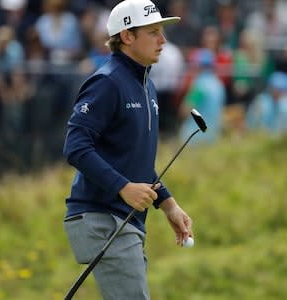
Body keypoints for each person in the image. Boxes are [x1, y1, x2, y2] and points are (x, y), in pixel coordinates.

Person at [62, 1, 193, 299]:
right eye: (153, 32)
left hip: (121, 220)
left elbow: (134, 160)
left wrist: (168, 204)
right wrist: (122, 187)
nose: (163, 40)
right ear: (127, 36)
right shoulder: (107, 82)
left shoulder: (146, 85)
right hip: (101, 218)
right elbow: (75, 146)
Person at [179, 48, 225, 144]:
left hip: (194, 137)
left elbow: (185, 110)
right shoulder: (219, 84)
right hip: (214, 136)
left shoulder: (199, 85)